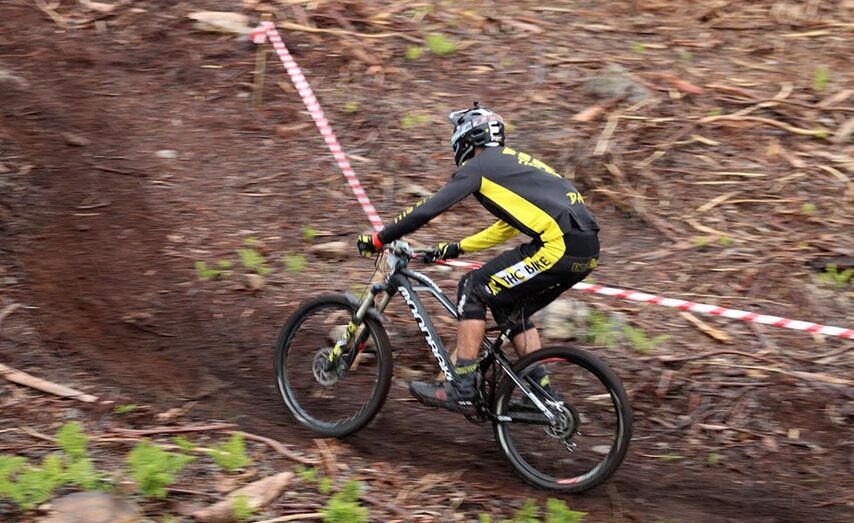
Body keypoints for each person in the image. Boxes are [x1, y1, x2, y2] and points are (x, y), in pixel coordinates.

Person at [356, 102, 600, 413]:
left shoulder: (479, 167)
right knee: (509, 308)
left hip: (558, 246)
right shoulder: (514, 164)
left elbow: (429, 208)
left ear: (468, 138)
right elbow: (505, 228)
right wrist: (457, 248)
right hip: (585, 249)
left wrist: (380, 238)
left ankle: (463, 386)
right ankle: (542, 394)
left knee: (472, 288)